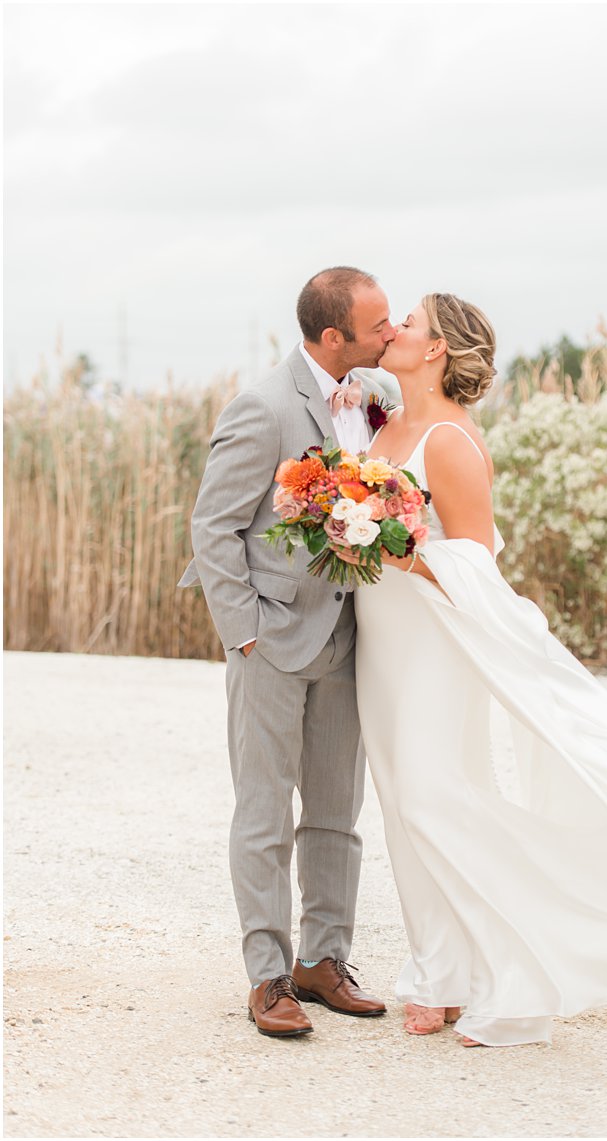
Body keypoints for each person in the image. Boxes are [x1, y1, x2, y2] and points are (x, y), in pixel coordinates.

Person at [350, 293, 607, 1048]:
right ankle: (439, 971)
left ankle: (521, 977)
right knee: (403, 803)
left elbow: (476, 556)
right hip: (384, 636)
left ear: (436, 349)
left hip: (439, 641)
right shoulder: (384, 425)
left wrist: (393, 551)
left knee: (439, 798)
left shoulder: (448, 440)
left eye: (409, 323)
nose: (395, 330)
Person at [181, 267, 395, 1037]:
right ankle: (268, 975)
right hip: (269, 637)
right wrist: (244, 631)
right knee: (265, 809)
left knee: (338, 810)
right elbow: (213, 526)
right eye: (378, 326)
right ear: (332, 336)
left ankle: (323, 960)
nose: (392, 334)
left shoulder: (373, 402)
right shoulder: (263, 405)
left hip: (346, 637)